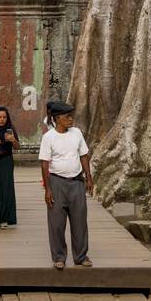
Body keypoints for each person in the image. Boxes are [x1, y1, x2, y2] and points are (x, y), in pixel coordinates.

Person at [38, 101, 92, 270]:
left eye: (71, 115)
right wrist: (48, 189)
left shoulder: (76, 133)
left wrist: (89, 177)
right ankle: (59, 257)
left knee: (80, 221)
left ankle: (81, 256)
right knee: (56, 223)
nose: (71, 119)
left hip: (76, 181)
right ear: (57, 118)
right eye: (67, 116)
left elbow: (83, 155)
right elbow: (44, 164)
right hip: (56, 182)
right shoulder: (49, 137)